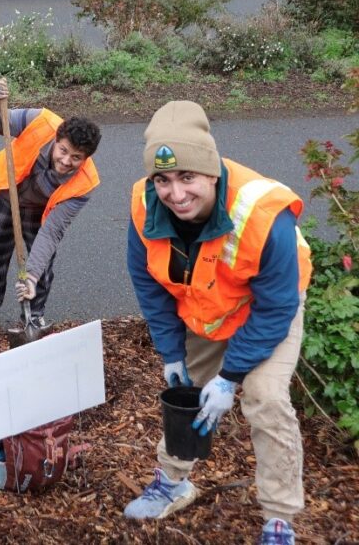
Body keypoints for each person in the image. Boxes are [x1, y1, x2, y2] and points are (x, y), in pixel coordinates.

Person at [124, 101, 310, 545]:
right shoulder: (143, 206)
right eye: (163, 180)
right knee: (184, 391)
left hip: (268, 310)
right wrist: (171, 352)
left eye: (188, 177)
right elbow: (148, 283)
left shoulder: (265, 214)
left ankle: (280, 517)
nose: (175, 193)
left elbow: (276, 307)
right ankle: (174, 482)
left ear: (212, 172)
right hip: (209, 306)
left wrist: (230, 378)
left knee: (264, 397)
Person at [0, 77, 102, 342]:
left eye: (76, 158)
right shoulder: (40, 120)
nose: (66, 161)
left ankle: (33, 316)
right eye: (63, 151)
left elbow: (51, 233)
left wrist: (31, 277)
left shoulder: (84, 183)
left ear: (86, 158)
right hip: (5, 194)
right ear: (57, 138)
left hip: (41, 209)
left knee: (42, 264)